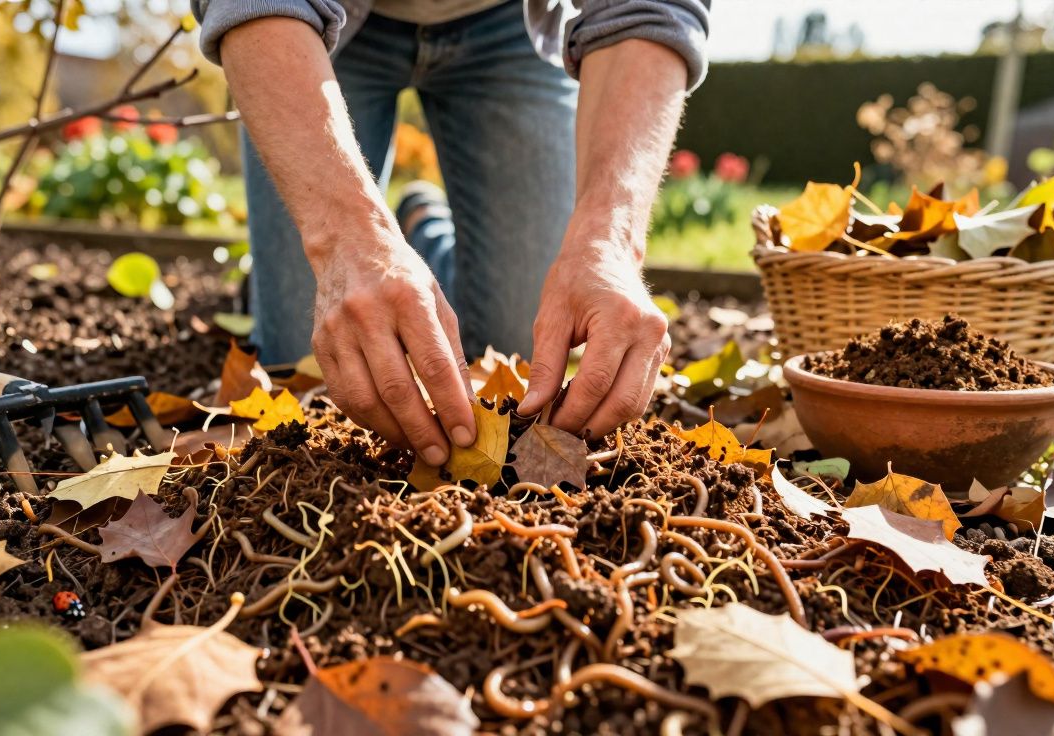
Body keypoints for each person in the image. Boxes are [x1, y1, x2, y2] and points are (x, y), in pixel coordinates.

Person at [194, 0, 709, 467]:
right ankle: (301, 271)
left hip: (511, 26)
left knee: (522, 342)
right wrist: (342, 244)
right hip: (314, 23)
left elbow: (648, 9)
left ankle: (423, 228)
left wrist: (610, 244)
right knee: (310, 368)